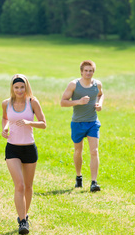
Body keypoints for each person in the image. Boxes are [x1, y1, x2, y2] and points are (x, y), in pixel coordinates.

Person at [2, 74, 46, 234]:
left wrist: (29, 122)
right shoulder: (6, 103)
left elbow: (44, 124)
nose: (19, 90)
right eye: (16, 87)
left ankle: (25, 216)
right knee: (19, 185)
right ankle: (22, 222)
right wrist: (5, 128)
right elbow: (5, 118)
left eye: (22, 87)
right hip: (12, 148)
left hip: (29, 148)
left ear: (26, 87)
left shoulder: (33, 102)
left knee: (28, 186)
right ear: (12, 88)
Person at [60, 60, 104, 192]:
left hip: (92, 122)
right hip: (78, 123)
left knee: (94, 151)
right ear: (81, 71)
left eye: (90, 71)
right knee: (78, 151)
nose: (88, 73)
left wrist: (100, 104)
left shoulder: (97, 84)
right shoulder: (74, 85)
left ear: (93, 72)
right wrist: (78, 101)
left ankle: (94, 182)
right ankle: (79, 177)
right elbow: (63, 102)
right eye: (86, 70)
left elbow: (101, 95)